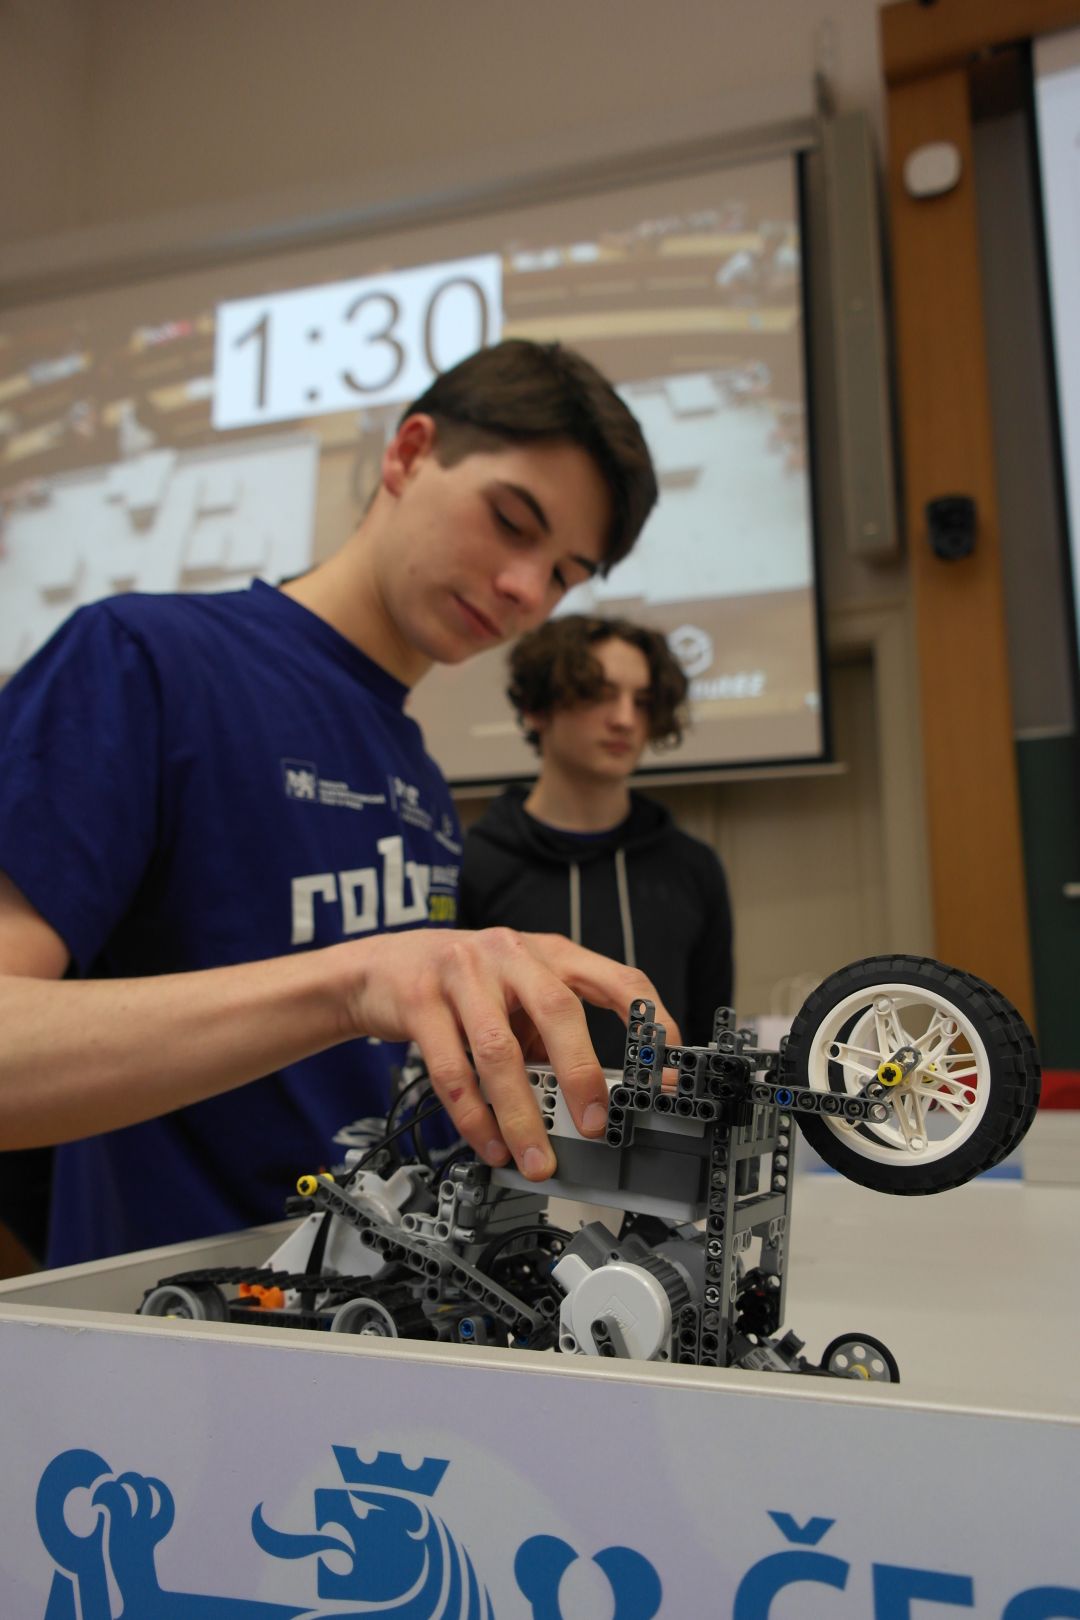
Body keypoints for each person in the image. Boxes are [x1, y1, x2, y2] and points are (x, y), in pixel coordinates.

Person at [0, 339, 675, 1268]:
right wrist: (354, 984)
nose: (526, 590)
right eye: (511, 521)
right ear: (409, 453)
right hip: (176, 1324)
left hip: (370, 1311)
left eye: (564, 574)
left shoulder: (420, 779)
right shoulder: (141, 661)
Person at [459, 614, 733, 1068]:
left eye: (643, 702)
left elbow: (708, 1041)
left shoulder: (692, 867)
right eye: (600, 694)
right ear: (536, 708)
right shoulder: (476, 862)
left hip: (665, 1113)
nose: (625, 719)